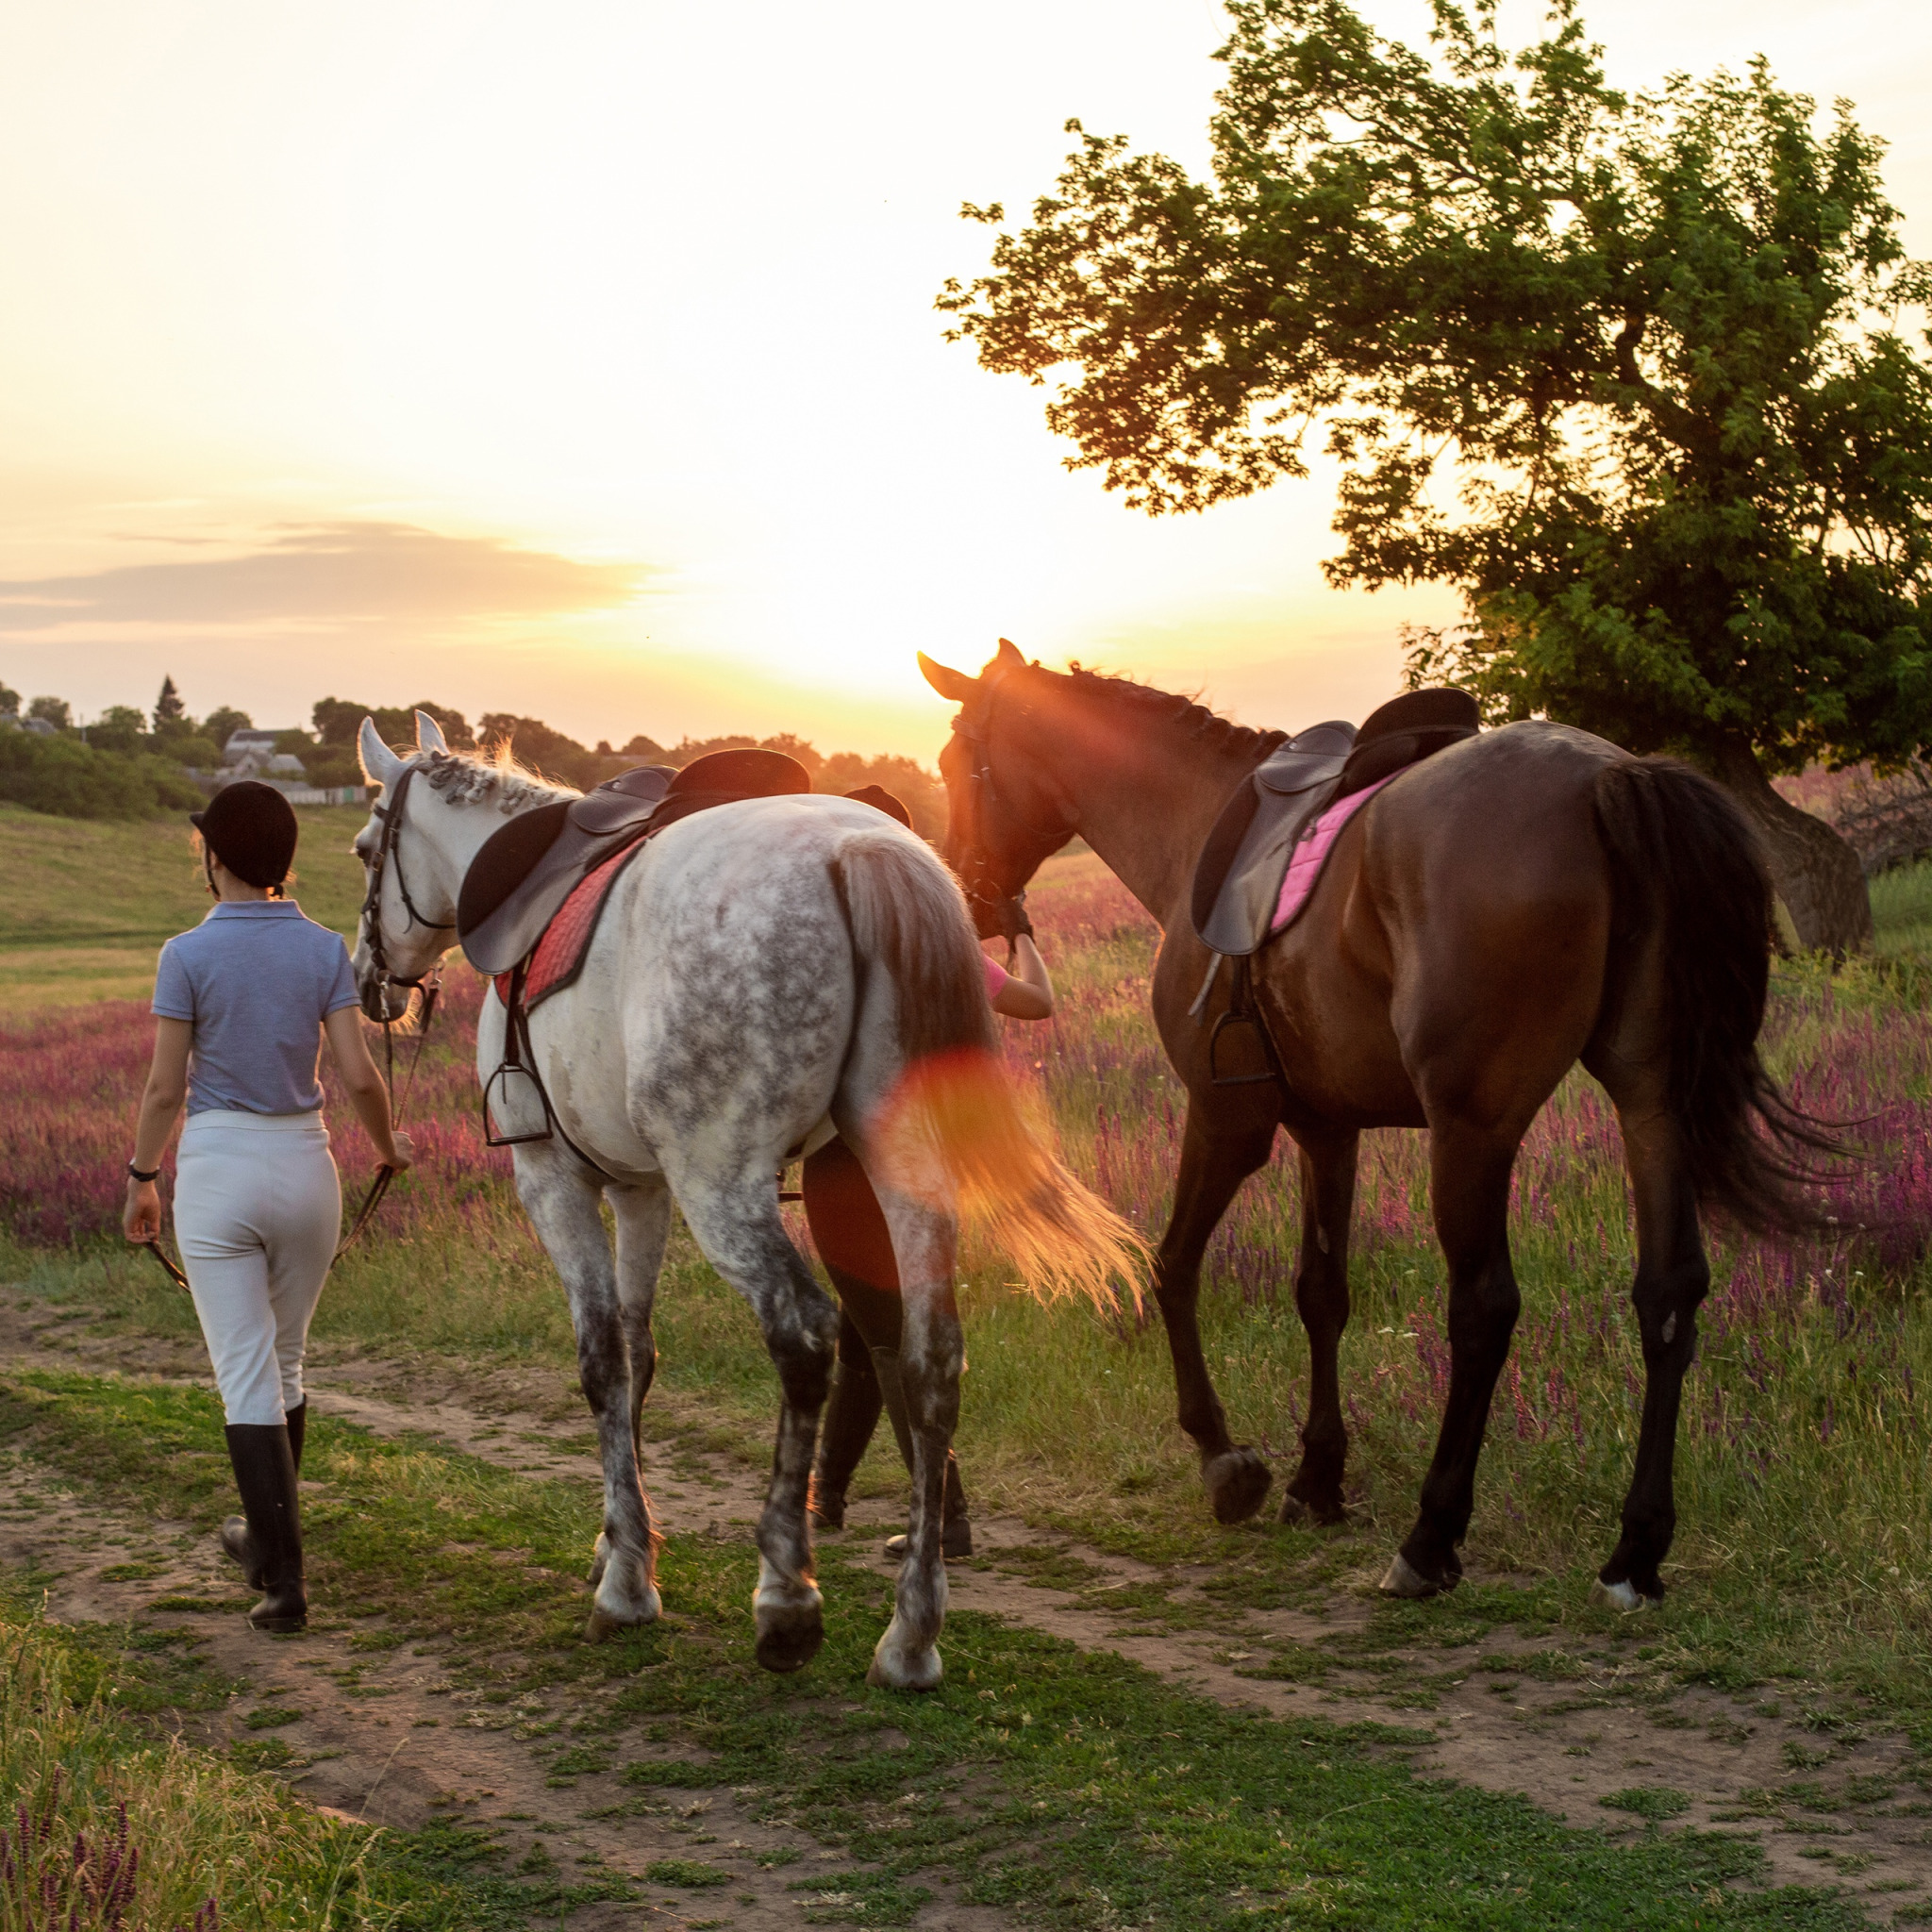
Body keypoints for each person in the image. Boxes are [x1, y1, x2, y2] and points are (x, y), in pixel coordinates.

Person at [123, 780, 415, 1633]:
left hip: (219, 1169)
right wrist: (389, 1149)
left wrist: (142, 1177)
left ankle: (283, 1582)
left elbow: (164, 1086)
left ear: (216, 858)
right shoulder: (323, 949)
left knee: (243, 1372)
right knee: (283, 1363)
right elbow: (359, 1075)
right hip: (306, 1164)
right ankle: (261, 1540)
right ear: (282, 858)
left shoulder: (185, 954)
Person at [805, 785, 1055, 1559]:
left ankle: (945, 1520)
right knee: (864, 1328)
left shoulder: (827, 946)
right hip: (928, 1159)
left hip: (845, 1162)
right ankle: (830, 1498)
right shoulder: (940, 948)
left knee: (885, 1339)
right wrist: (1021, 935)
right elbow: (1038, 1003)